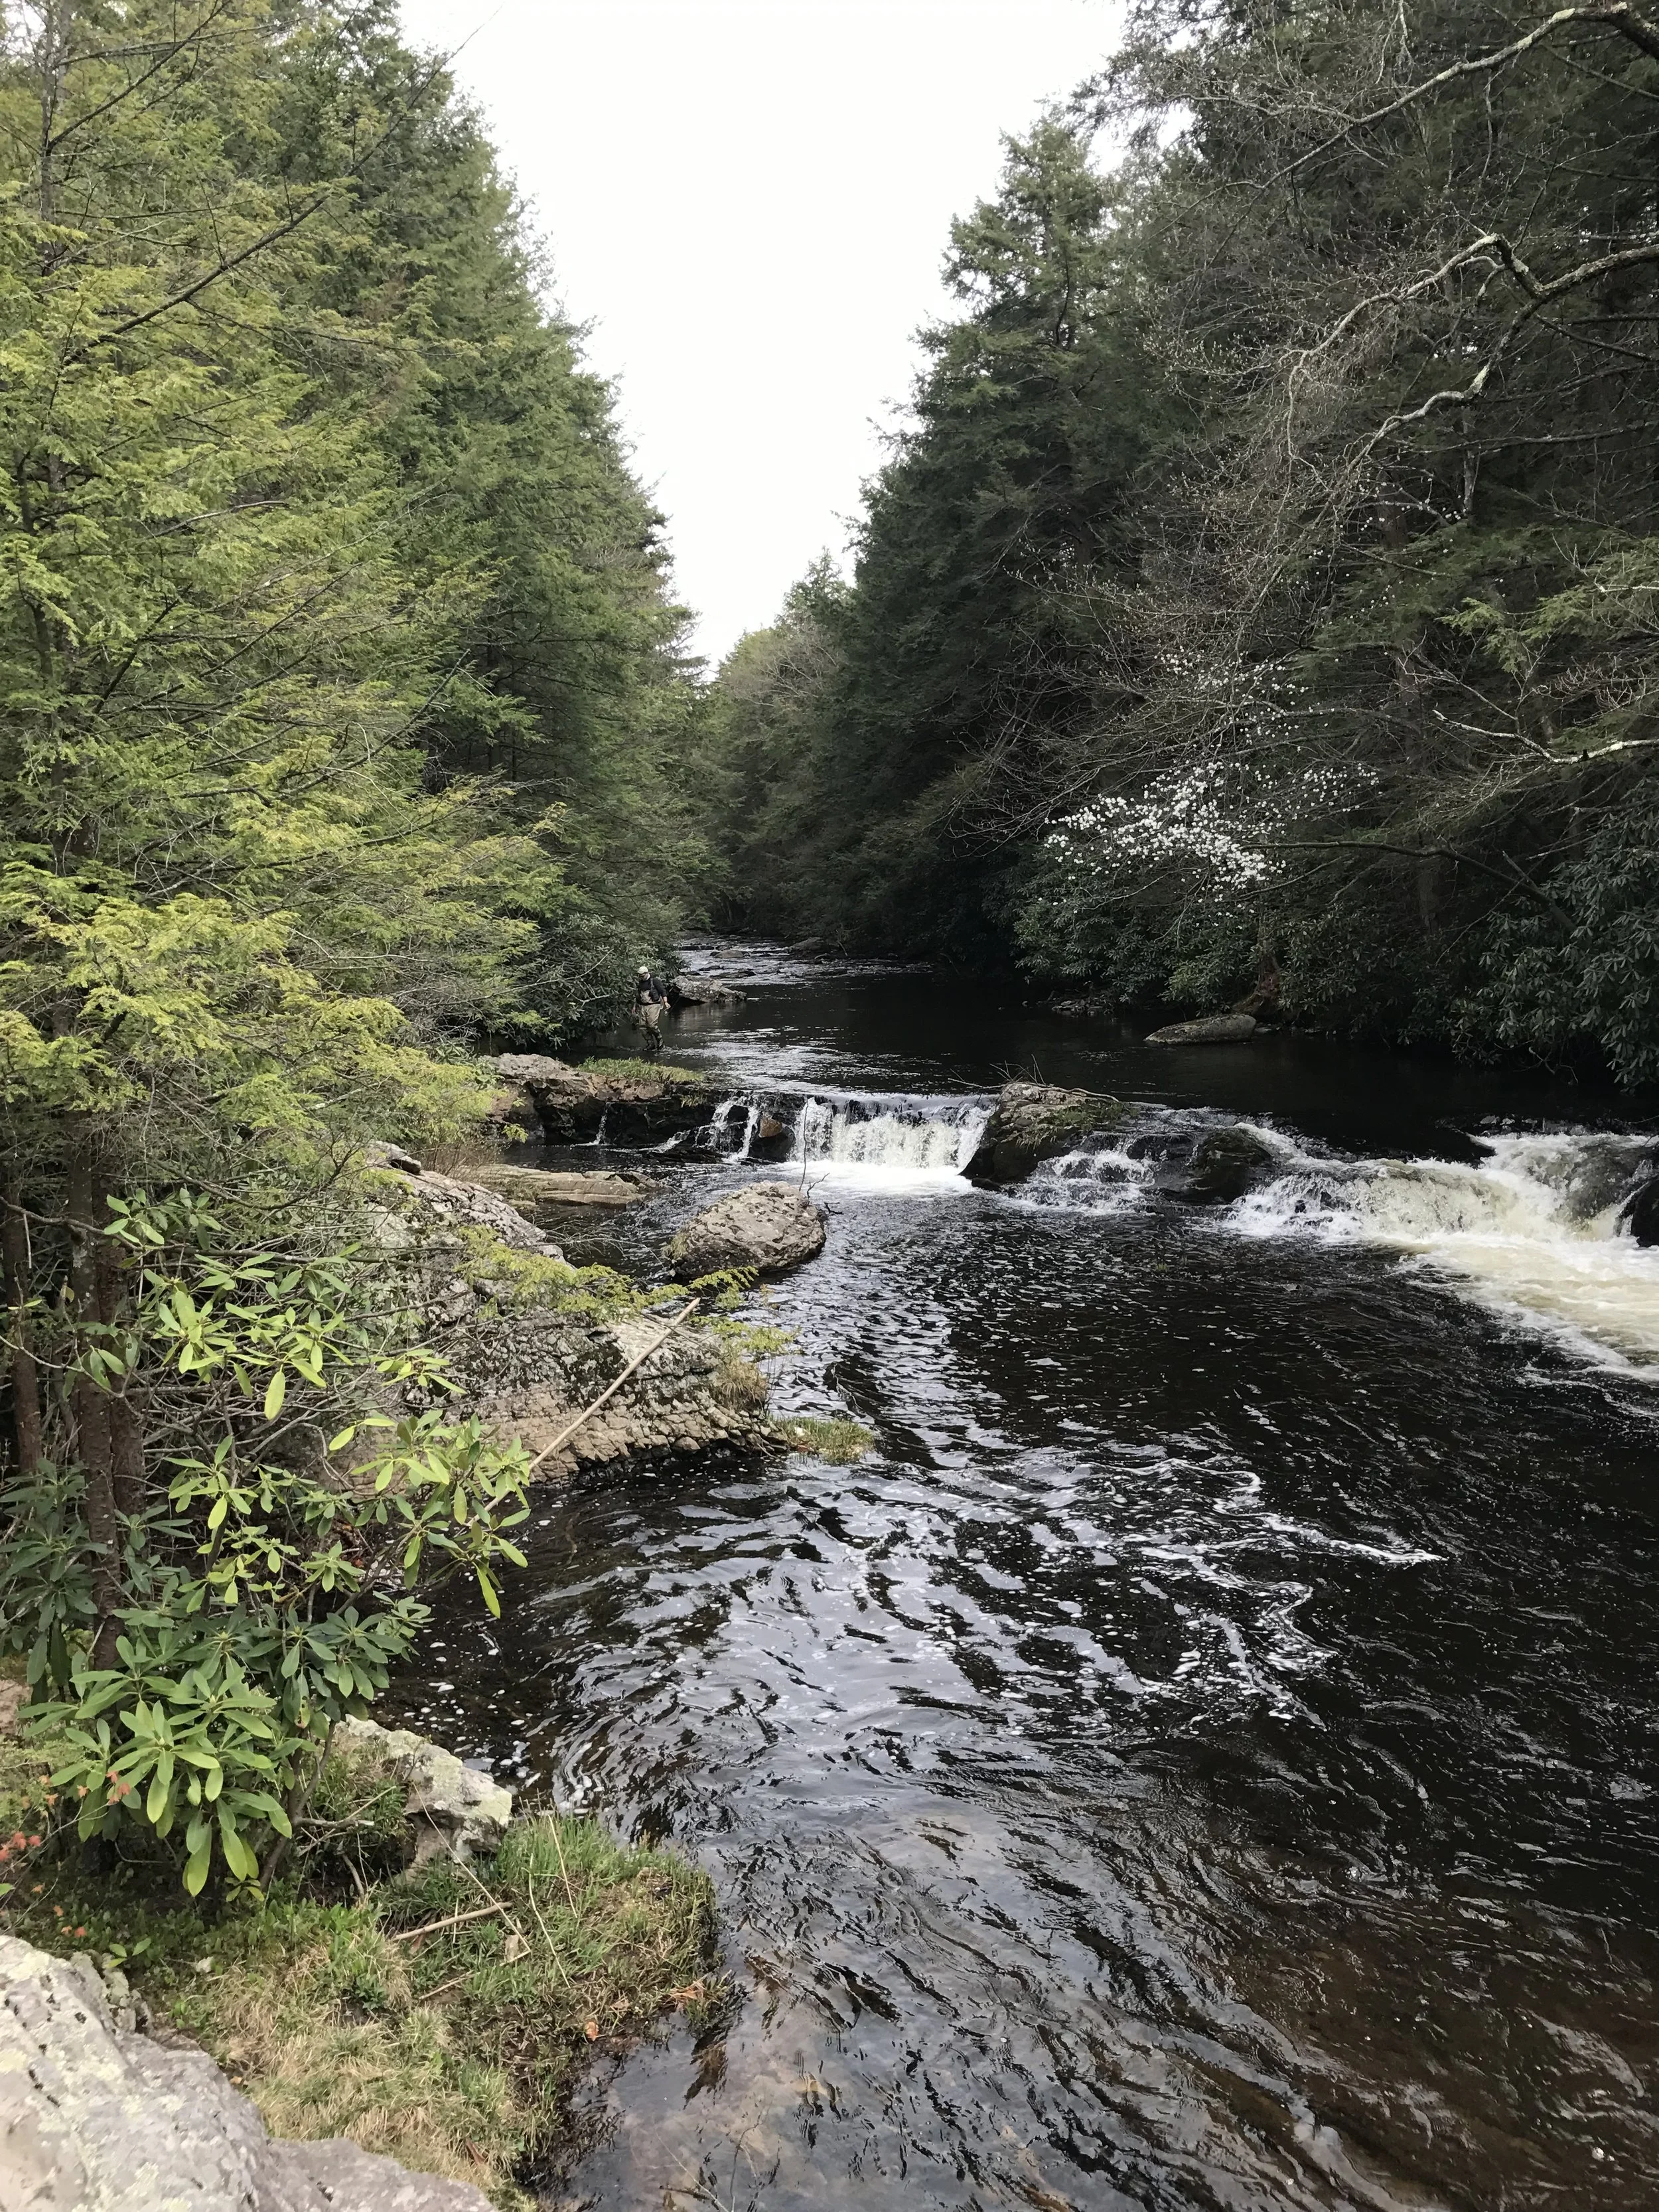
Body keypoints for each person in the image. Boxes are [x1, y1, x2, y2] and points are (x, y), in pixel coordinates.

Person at [633, 963, 666, 1051]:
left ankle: (660, 1042)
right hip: (642, 1006)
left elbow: (663, 992)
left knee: (652, 1025)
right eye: (640, 975)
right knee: (642, 1026)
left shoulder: (655, 981)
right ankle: (650, 1044)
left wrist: (666, 1002)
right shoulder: (640, 983)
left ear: (647, 973)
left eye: (642, 975)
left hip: (654, 1005)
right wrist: (634, 1007)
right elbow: (638, 995)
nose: (641, 977)